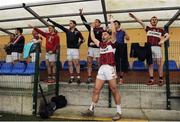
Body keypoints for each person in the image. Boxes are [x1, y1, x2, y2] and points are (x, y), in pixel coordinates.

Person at [81, 15, 122, 121]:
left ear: (108, 36)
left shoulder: (112, 43)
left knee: (114, 90)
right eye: (102, 34)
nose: (103, 35)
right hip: (102, 69)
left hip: (110, 68)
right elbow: (93, 38)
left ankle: (119, 112)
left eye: (105, 34)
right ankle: (91, 110)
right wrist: (91, 28)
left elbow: (113, 32)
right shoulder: (101, 44)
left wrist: (112, 21)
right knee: (96, 90)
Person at [129, 13, 170, 86]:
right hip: (149, 48)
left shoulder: (161, 30)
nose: (154, 21)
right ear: (150, 22)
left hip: (157, 48)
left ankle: (160, 79)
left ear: (157, 22)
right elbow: (140, 22)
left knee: (159, 64)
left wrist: (163, 40)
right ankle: (151, 79)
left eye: (155, 20)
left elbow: (168, 35)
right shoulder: (148, 28)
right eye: (152, 20)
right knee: (150, 64)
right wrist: (134, 17)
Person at [47, 18, 85, 84]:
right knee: (70, 63)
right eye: (69, 23)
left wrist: (79, 44)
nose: (69, 24)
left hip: (75, 50)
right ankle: (71, 77)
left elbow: (83, 39)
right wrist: (50, 21)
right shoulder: (67, 31)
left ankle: (78, 77)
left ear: (74, 24)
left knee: (76, 63)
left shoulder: (78, 32)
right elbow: (59, 26)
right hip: (69, 49)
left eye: (71, 23)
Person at [79, 8, 104, 84]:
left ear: (99, 24)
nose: (95, 23)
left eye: (96, 22)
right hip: (90, 49)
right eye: (94, 22)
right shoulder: (91, 28)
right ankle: (89, 77)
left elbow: (103, 40)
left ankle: (100, 77)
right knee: (89, 62)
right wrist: (81, 15)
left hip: (98, 49)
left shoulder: (102, 30)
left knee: (99, 63)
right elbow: (85, 22)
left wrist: (96, 43)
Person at [114, 20, 130, 84]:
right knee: (114, 63)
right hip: (114, 47)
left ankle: (121, 79)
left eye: (116, 24)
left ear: (119, 25)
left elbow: (128, 38)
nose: (114, 25)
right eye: (114, 24)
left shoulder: (122, 31)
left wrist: (125, 32)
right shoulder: (112, 31)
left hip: (121, 47)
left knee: (121, 63)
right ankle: (114, 78)